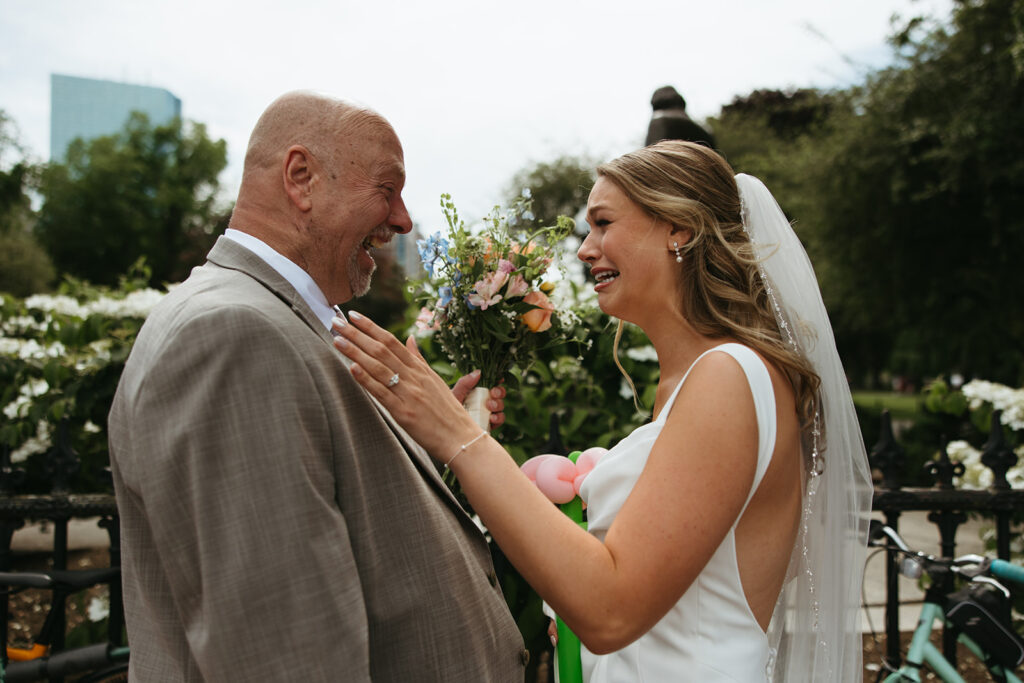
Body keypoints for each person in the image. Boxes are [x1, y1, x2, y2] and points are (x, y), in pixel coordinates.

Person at [331, 140, 873, 682]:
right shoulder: (685, 385)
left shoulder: (728, 376)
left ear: (678, 229)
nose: (586, 249)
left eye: (603, 223)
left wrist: (459, 437)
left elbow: (611, 610)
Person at [107, 91, 529, 682]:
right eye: (387, 188)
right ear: (301, 178)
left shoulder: (282, 323)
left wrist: (435, 445)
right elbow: (285, 655)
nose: (403, 219)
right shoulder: (233, 335)